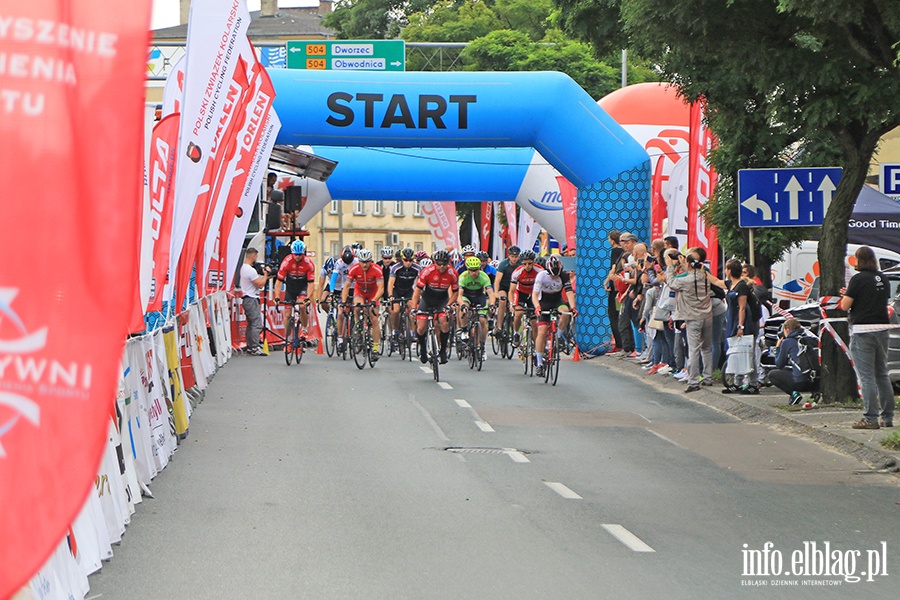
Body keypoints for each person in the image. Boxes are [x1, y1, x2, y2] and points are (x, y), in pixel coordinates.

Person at [840, 246, 894, 429]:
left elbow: (845, 305)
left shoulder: (857, 279)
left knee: (866, 376)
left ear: (859, 260)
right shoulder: (883, 278)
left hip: (863, 330)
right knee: (882, 374)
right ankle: (887, 417)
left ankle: (870, 418)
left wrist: (846, 296)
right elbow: (874, 298)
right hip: (883, 328)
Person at [666, 247, 713, 392]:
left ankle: (693, 381)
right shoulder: (705, 276)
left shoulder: (685, 281)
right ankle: (708, 377)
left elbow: (671, 282)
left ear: (689, 263)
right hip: (707, 315)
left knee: (694, 349)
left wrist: (672, 266)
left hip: (692, 317)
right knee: (706, 348)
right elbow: (694, 274)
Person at [412, 249, 459, 364]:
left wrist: (448, 305)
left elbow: (455, 293)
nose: (442, 266)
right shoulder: (427, 272)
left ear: (448, 263)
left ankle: (442, 350)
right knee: (421, 327)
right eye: (439, 263)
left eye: (445, 263)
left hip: (442, 300)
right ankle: (423, 349)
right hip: (427, 299)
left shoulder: (452, 273)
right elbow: (417, 292)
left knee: (443, 321)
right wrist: (414, 308)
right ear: (434, 262)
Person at [720, 259, 760, 394]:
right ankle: (737, 382)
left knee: (747, 353)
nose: (725, 271)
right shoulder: (731, 284)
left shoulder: (741, 287)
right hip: (733, 321)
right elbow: (715, 281)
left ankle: (753, 383)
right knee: (736, 352)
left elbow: (742, 308)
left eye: (726, 269)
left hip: (745, 323)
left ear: (730, 271)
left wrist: (740, 326)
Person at [532, 255, 575, 377]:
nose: (555, 277)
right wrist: (537, 307)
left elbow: (569, 292)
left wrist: (573, 308)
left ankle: (559, 337)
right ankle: (539, 362)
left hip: (557, 300)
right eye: (552, 275)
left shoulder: (563, 275)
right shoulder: (541, 275)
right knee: (542, 331)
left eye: (557, 275)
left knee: (565, 312)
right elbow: (535, 295)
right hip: (544, 302)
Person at [342, 248, 385, 359]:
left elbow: (381, 288)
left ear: (371, 261)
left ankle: (375, 348)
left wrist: (374, 301)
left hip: (373, 293)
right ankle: (358, 326)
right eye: (362, 262)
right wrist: (343, 301)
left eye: (367, 262)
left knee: (374, 319)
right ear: (359, 261)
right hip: (360, 291)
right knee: (357, 307)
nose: (364, 264)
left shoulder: (377, 269)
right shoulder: (354, 269)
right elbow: (347, 286)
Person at [274, 240, 316, 349]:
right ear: (292, 253)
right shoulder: (286, 262)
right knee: (287, 314)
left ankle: (304, 329)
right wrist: (277, 296)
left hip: (302, 287)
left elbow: (311, 284)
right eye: (296, 255)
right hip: (290, 287)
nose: (298, 257)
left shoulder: (309, 263)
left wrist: (308, 297)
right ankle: (287, 339)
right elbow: (278, 281)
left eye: (300, 255)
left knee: (302, 306)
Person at [457, 256, 497, 360]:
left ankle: (482, 346)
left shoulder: (484, 276)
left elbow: (491, 293)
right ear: (468, 269)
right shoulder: (463, 276)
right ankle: (465, 330)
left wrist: (492, 304)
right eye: (472, 270)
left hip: (479, 296)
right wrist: (462, 305)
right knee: (463, 309)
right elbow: (459, 296)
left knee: (483, 320)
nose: (474, 273)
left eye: (476, 270)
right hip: (467, 295)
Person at [769, 319, 818, 404]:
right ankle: (815, 392)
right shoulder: (807, 339)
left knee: (772, 374)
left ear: (787, 329)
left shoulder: (787, 342)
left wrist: (778, 348)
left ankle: (794, 394)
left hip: (800, 382)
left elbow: (779, 364)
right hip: (814, 381)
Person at [509, 250, 544, 346]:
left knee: (534, 323)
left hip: (533, 295)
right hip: (521, 293)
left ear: (534, 262)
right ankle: (516, 333)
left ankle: (536, 345)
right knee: (518, 313)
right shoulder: (517, 272)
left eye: (530, 263)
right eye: (524, 264)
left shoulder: (540, 271)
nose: (527, 266)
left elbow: (544, 287)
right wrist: (512, 304)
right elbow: (511, 291)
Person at [388, 248, 421, 349]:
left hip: (409, 290)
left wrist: (420, 295)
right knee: (396, 310)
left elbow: (420, 283)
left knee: (413, 311)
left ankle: (412, 333)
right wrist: (390, 296)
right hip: (397, 290)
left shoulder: (418, 268)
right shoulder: (395, 268)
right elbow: (390, 284)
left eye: (410, 260)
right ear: (402, 259)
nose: (408, 263)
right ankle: (395, 331)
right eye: (406, 260)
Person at [239, 247, 269, 356]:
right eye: (256, 257)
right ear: (253, 256)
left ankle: (250, 346)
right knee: (256, 323)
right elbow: (260, 284)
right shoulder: (250, 270)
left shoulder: (243, 268)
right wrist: (266, 275)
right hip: (251, 298)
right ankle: (255, 347)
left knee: (251, 324)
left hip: (247, 298)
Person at [493, 245, 521, 336]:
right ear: (509, 256)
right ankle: (499, 326)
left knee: (516, 305)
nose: (514, 259)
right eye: (512, 257)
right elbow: (497, 280)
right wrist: (496, 292)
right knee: (502, 300)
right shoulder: (503, 264)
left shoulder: (521, 264)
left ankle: (513, 326)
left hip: (515, 287)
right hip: (504, 287)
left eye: (516, 257)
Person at [604, 231, 624, 353]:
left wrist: (606, 282)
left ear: (612, 240)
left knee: (613, 315)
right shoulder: (623, 252)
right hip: (620, 287)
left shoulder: (615, 251)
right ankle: (622, 342)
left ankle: (619, 343)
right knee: (619, 314)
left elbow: (613, 268)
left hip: (614, 288)